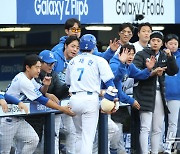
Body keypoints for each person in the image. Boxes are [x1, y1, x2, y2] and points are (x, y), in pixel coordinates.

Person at [0, 54, 75, 154]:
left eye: (40, 67)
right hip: (8, 119)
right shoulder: (23, 80)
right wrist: (62, 109)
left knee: (32, 140)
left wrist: (46, 87)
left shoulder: (29, 79)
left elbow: (41, 91)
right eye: (36, 67)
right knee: (4, 151)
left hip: (18, 118)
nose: (39, 70)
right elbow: (41, 99)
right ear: (27, 67)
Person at [65, 34, 117, 154]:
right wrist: (114, 101)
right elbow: (110, 84)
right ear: (94, 46)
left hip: (75, 98)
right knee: (87, 138)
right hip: (90, 99)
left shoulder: (72, 61)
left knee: (78, 135)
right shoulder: (98, 60)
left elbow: (68, 84)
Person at [133, 31, 179, 154]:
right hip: (145, 93)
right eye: (153, 40)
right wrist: (152, 72)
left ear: (162, 43)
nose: (155, 43)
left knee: (157, 128)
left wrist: (170, 57)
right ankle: (144, 152)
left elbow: (173, 71)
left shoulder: (164, 55)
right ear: (149, 41)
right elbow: (135, 73)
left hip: (160, 93)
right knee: (145, 127)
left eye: (158, 41)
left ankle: (154, 152)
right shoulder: (141, 54)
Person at [109, 44, 156, 154]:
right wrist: (132, 101)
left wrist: (148, 69)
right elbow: (118, 90)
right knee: (112, 131)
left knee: (117, 128)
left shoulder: (128, 65)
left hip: (116, 103)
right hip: (107, 102)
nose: (130, 57)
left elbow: (140, 75)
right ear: (120, 54)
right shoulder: (114, 65)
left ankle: (116, 150)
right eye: (127, 53)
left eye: (132, 54)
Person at [163, 34, 180, 154]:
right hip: (160, 94)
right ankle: (158, 146)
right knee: (159, 123)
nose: (173, 46)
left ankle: (168, 147)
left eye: (175, 44)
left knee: (173, 122)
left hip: (176, 95)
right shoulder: (159, 55)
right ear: (165, 44)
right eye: (170, 43)